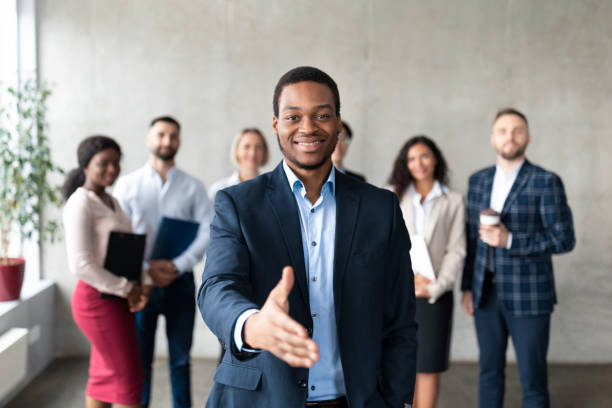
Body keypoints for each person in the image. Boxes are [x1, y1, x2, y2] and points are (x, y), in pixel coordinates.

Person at [198, 66, 417, 408]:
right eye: (293, 116)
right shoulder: (238, 204)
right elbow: (216, 287)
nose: (308, 127)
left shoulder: (381, 208)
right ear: (276, 124)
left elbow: (401, 318)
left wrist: (396, 398)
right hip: (259, 398)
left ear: (338, 124)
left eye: (322, 115)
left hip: (357, 398)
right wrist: (252, 326)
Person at [461, 108, 575, 408]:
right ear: (492, 138)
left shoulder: (545, 181)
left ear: (528, 137)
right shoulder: (478, 181)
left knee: (533, 379)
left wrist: (510, 240)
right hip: (485, 294)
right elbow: (471, 239)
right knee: (488, 373)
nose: (509, 136)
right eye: (503, 130)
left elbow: (564, 238)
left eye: (517, 130)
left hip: (530, 295)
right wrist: (467, 287)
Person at [113, 116, 214, 408]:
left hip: (179, 281)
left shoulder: (194, 186)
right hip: (139, 284)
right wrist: (146, 270)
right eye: (161, 135)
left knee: (181, 360)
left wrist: (177, 265)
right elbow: (119, 234)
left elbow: (208, 230)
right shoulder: (127, 184)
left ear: (179, 142)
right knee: (139, 361)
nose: (166, 141)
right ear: (149, 139)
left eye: (173, 136)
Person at [62, 135, 151, 408]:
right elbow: (81, 265)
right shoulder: (80, 203)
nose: (112, 169)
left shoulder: (112, 201)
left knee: (104, 377)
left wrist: (141, 284)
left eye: (116, 163)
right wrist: (128, 287)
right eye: (104, 163)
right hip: (96, 300)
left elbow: (124, 252)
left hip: (117, 298)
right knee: (130, 378)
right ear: (86, 165)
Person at [387, 136, 466, 408]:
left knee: (428, 365)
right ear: (404, 164)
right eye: (411, 158)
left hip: (435, 295)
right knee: (401, 362)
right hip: (399, 293)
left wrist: (435, 286)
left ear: (435, 159)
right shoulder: (391, 196)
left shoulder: (453, 200)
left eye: (424, 156)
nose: (418, 163)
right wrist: (406, 281)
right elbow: (384, 247)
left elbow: (456, 250)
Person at [208, 127, 269, 204]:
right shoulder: (218, 190)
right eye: (247, 147)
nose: (252, 153)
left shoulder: (274, 190)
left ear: (264, 152)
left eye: (258, 147)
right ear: (236, 151)